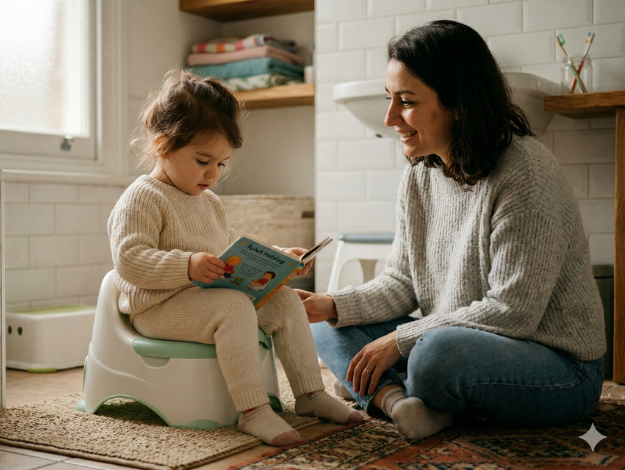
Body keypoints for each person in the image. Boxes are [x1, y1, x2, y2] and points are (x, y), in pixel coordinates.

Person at [297, 20, 606, 440]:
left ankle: (378, 387)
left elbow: (512, 312)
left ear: (459, 101)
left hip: (559, 366)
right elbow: (401, 282)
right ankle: (400, 402)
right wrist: (329, 304)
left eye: (405, 101)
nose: (390, 118)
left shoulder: (526, 172)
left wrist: (400, 342)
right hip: (459, 345)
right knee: (322, 326)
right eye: (390, 99)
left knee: (434, 355)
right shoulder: (420, 174)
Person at [108, 70, 363, 447]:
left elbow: (230, 248)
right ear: (163, 145)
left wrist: (278, 259)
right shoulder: (143, 197)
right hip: (158, 307)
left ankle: (310, 395)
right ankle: (253, 411)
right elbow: (129, 261)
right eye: (202, 160)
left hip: (207, 301)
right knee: (233, 307)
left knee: (286, 301)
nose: (213, 173)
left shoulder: (208, 201)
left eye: (221, 164)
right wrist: (188, 265)